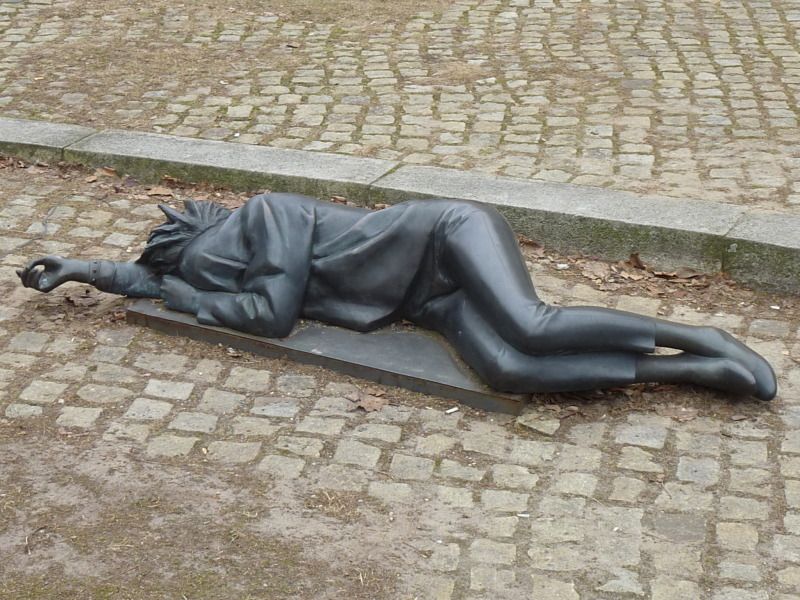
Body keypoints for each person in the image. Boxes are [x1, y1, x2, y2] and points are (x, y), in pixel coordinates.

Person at [17, 193, 777, 400]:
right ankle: (682, 373)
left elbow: (270, 315)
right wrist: (86, 268)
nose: (210, 280)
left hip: (444, 236)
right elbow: (161, 279)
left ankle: (699, 335)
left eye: (205, 270)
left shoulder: (267, 216)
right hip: (419, 300)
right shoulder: (214, 266)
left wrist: (184, 293)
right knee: (508, 370)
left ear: (210, 242)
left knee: (530, 324)